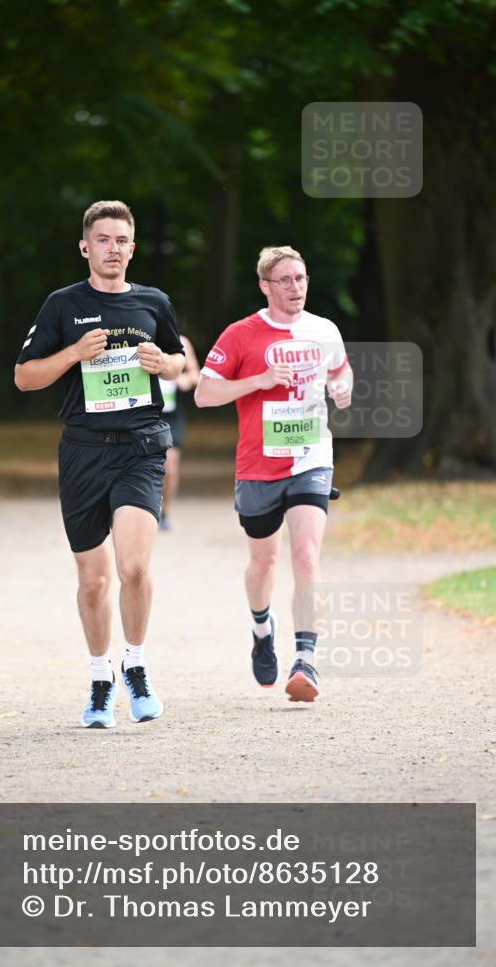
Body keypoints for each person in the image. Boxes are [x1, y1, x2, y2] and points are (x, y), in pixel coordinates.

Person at [14, 200, 185, 728]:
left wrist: (165, 362)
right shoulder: (62, 306)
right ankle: (98, 678)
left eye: (122, 240)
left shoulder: (153, 302)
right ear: (86, 247)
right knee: (93, 580)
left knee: (133, 566)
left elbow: (180, 362)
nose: (113, 248)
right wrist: (72, 354)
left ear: (133, 248)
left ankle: (135, 666)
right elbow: (24, 377)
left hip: (140, 447)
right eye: (103, 239)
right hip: (85, 451)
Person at [195, 245, 352, 703]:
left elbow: (342, 374)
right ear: (265, 286)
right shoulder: (241, 335)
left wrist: (342, 389)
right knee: (264, 562)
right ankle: (262, 627)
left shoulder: (324, 330)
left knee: (306, 556)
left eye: (300, 278)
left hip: (311, 459)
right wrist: (258, 381)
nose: (295, 287)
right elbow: (205, 394)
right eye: (284, 280)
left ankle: (306, 660)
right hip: (258, 465)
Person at [159, 333, 200, 529]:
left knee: (170, 465)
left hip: (171, 414)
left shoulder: (181, 341)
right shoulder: (135, 337)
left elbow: (195, 374)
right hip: (143, 411)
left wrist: (185, 379)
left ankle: (164, 512)